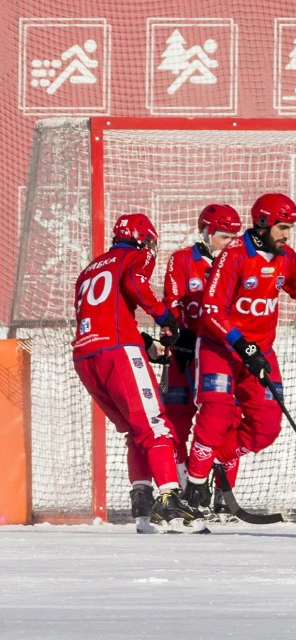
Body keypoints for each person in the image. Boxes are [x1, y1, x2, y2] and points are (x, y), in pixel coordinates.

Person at [183, 194, 296, 512]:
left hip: (260, 352)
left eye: (290, 227)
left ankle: (218, 461)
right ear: (263, 223)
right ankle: (194, 486)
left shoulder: (286, 257)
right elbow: (212, 310)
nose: (286, 234)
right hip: (221, 349)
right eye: (282, 227)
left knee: (266, 427)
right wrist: (242, 344)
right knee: (216, 414)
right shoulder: (235, 254)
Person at [73, 214, 200, 533]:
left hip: (87, 355)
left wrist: (147, 344)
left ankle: (141, 499)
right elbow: (134, 284)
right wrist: (165, 319)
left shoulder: (89, 270)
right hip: (118, 352)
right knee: (156, 425)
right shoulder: (136, 255)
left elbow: (105, 314)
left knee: (136, 429)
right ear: (143, 239)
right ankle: (170, 499)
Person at [161, 204, 242, 517]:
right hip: (186, 348)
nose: (229, 242)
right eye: (223, 236)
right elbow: (172, 303)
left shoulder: (238, 261)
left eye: (234, 237)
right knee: (177, 420)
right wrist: (177, 339)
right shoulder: (183, 260)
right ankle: (185, 488)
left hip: (220, 353)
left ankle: (223, 493)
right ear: (206, 233)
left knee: (226, 419)